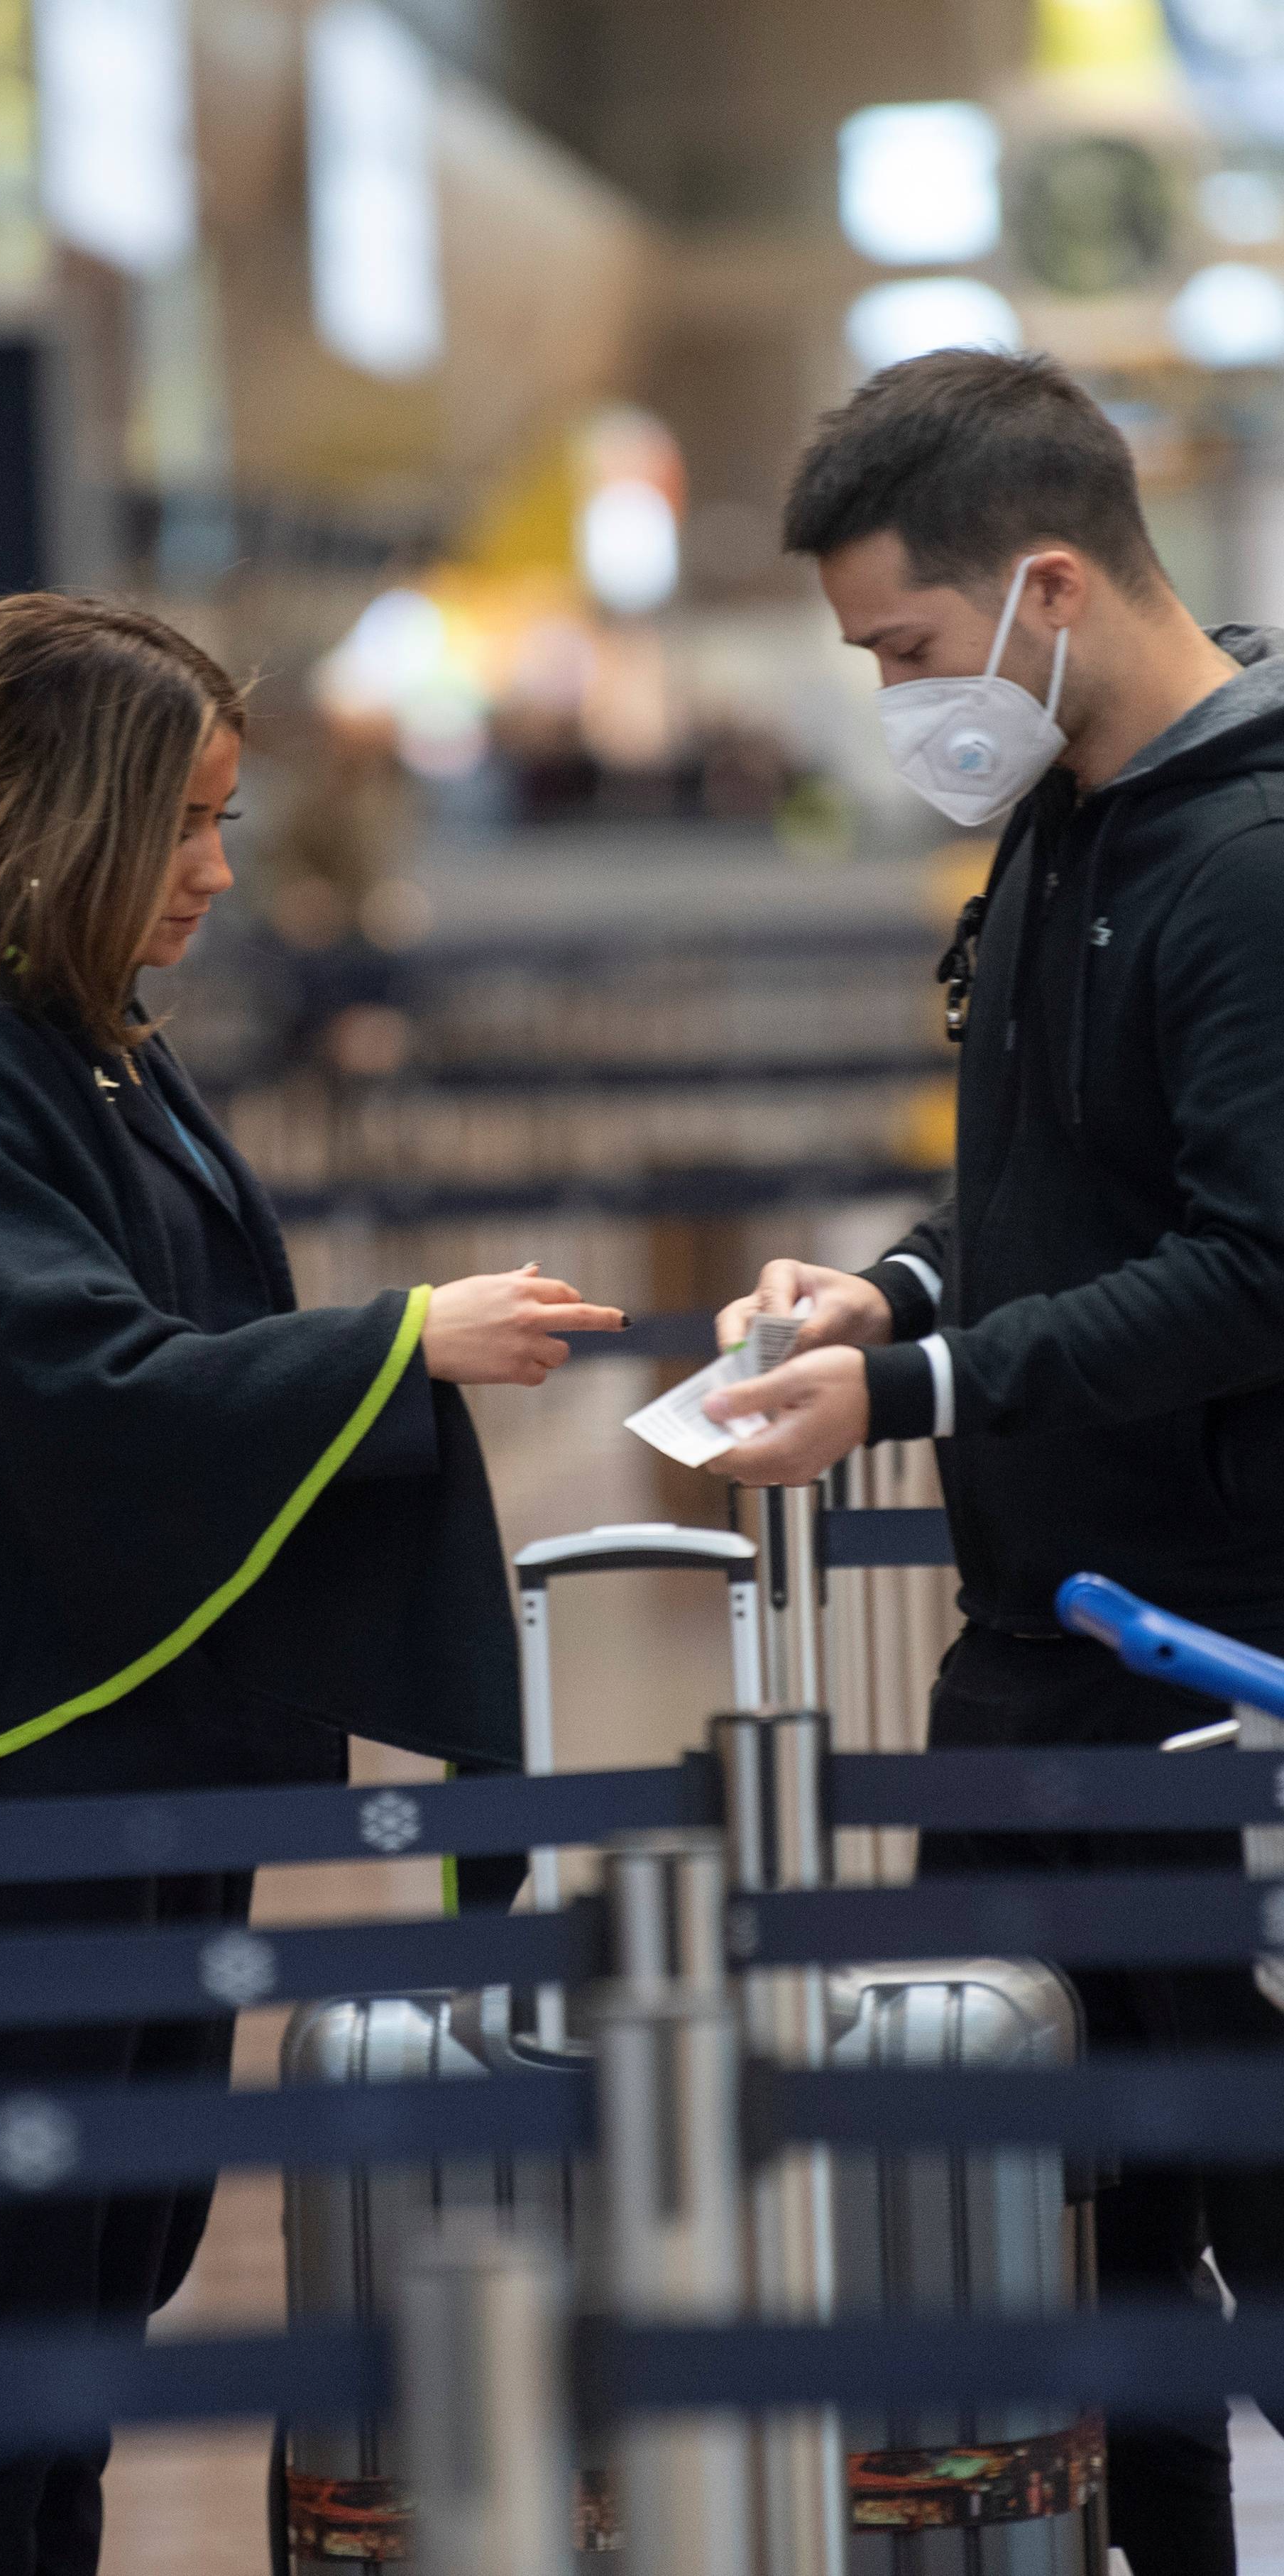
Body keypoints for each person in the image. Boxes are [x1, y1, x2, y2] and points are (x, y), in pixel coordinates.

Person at [0, 591, 627, 2576]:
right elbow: (83, 1381)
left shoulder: (90, 1049)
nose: (223, 875)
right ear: (66, 817)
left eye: (232, 822)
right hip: (10, 1796)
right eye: (188, 828)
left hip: (139, 1775)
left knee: (85, 2310)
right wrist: (400, 1342)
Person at [708, 349, 1284, 2575]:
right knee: (1046, 2245)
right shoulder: (1060, 818)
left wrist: (926, 1397)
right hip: (1032, 1673)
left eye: (908, 649)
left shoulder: (1245, 867)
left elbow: (1254, 1265)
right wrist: (896, 1300)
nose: (896, 700)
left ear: (1048, 583)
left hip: (1218, 1671)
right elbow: (1056, 1201)